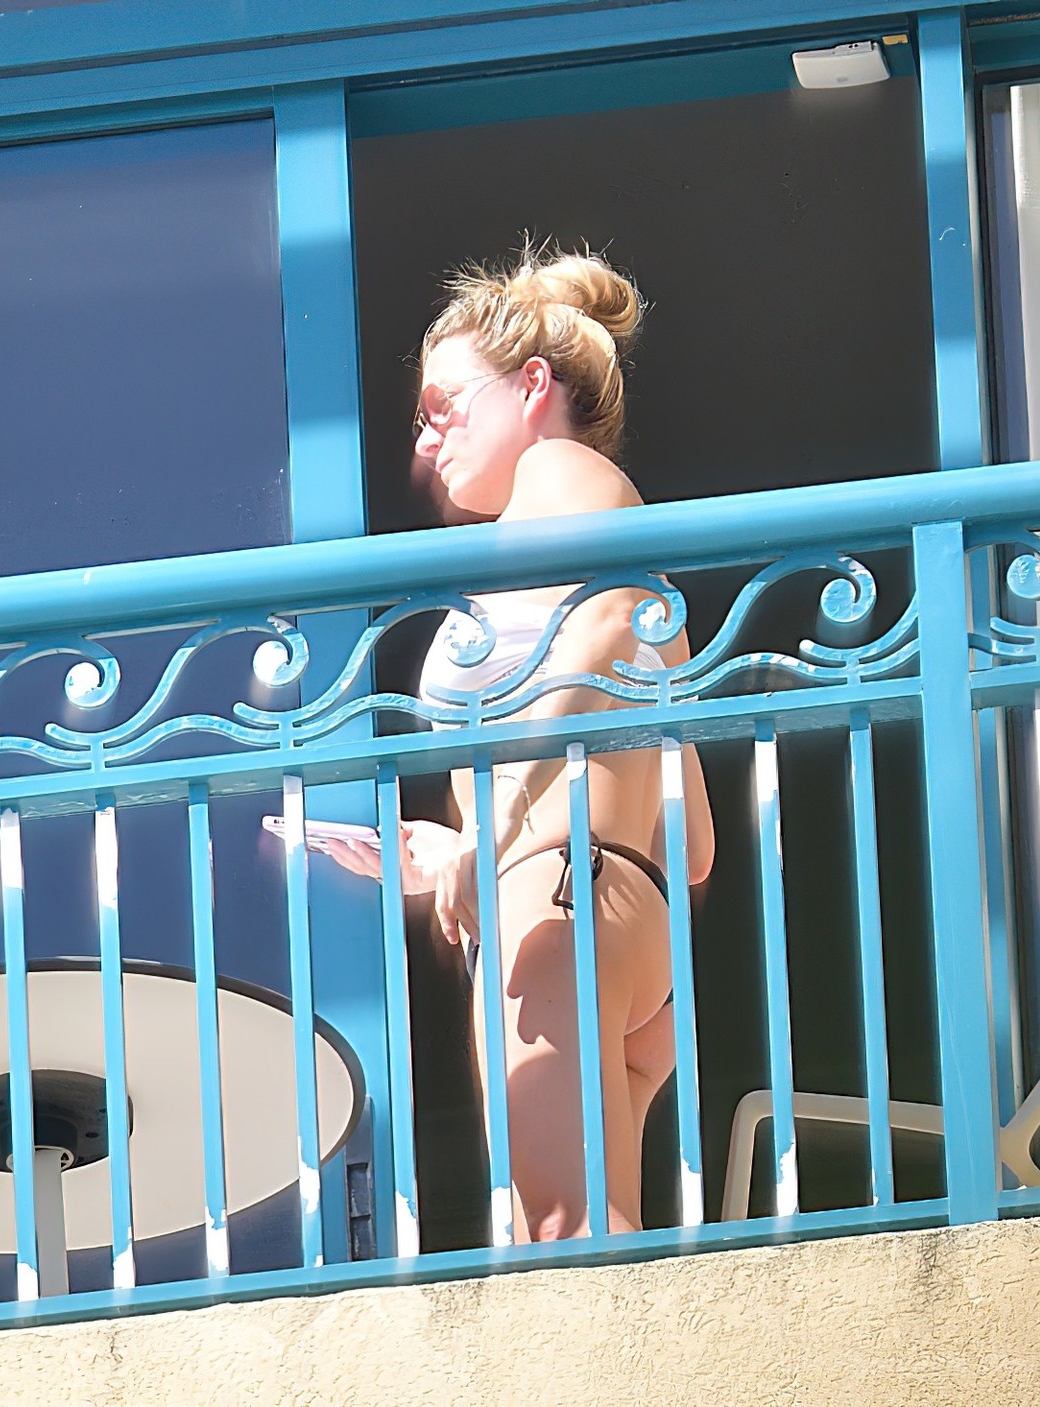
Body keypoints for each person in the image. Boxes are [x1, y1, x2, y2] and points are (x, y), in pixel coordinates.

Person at [321, 246, 715, 1241]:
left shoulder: (561, 472)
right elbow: (694, 842)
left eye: (445, 403)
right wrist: (454, 854)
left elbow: (606, 626)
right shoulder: (583, 539)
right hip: (613, 906)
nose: (426, 436)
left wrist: (495, 837)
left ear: (533, 385)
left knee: (568, 1241)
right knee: (598, 1247)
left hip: (556, 903)